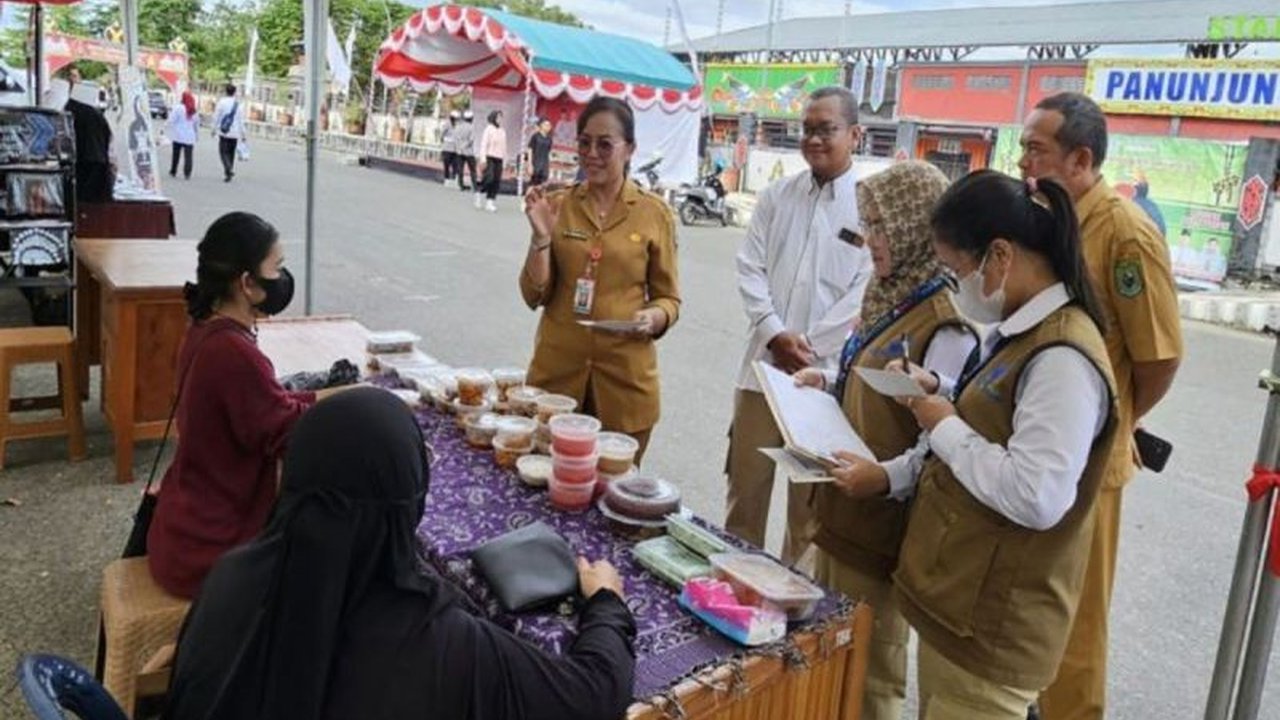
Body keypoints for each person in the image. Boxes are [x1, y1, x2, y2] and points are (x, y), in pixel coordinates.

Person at [164, 388, 636, 720]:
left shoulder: (231, 576)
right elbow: (593, 694)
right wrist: (606, 604)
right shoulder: (440, 643)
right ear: (408, 504)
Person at [842, 170, 1120, 718]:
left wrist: (942, 422)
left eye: (957, 269)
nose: (956, 282)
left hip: (997, 624)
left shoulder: (1062, 357)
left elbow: (1036, 494)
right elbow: (999, 420)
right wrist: (940, 392)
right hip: (962, 606)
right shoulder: (1022, 331)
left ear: (999, 255)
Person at [1019, 92, 1182, 720]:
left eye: (1037, 149)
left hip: (1090, 461)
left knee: (1078, 621)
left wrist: (1117, 427)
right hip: (1038, 448)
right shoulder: (1049, 216)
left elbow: (1159, 356)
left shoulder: (1125, 234)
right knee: (1034, 602)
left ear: (1081, 158)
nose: (1024, 160)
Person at [793, 161, 976, 720]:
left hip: (882, 529)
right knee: (828, 659)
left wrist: (884, 477)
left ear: (917, 229)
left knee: (872, 676)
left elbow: (941, 440)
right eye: (867, 224)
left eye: (882, 226)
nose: (871, 240)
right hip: (843, 511)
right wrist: (824, 379)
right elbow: (874, 378)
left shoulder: (942, 320)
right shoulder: (888, 295)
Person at [725, 86, 871, 565]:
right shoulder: (776, 196)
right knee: (745, 493)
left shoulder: (870, 208)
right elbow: (750, 268)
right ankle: (736, 593)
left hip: (822, 379)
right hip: (761, 373)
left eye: (825, 129)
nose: (813, 140)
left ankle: (794, 615)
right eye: (806, 129)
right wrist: (774, 334)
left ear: (855, 135)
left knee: (809, 514)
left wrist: (806, 347)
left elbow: (862, 292)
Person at [147, 212, 317, 599]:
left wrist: (325, 398)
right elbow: (287, 434)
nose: (282, 280)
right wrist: (348, 413)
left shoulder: (205, 329)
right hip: (210, 552)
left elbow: (266, 406)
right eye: (278, 268)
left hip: (184, 532)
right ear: (247, 283)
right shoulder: (232, 352)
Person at [519, 97, 680, 462]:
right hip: (556, 383)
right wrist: (541, 237)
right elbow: (533, 294)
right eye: (584, 142)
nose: (592, 153)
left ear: (630, 150)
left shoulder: (655, 214)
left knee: (613, 499)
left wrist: (654, 317)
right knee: (550, 490)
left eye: (605, 144)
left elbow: (669, 299)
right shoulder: (558, 205)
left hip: (625, 385)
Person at [63, 70, 114, 202]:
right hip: (96, 167)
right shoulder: (94, 114)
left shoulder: (72, 110)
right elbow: (107, 137)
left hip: (86, 168)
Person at [213, 84, 246, 182]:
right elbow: (241, 121)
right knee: (231, 153)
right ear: (234, 92)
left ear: (226, 91)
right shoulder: (238, 105)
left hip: (224, 132)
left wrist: (213, 129)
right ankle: (229, 171)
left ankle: (228, 168)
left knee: (223, 152)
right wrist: (243, 134)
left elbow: (216, 117)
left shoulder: (221, 103)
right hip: (234, 133)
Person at [477, 110, 507, 212]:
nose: (500, 120)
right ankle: (479, 191)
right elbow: (483, 144)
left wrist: (505, 161)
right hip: (489, 157)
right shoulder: (489, 129)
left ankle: (490, 201)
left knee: (496, 180)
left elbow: (504, 147)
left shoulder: (502, 131)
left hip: (499, 158)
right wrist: (483, 159)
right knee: (489, 178)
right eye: (498, 117)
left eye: (501, 118)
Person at [167, 91, 199, 180]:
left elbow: (171, 120)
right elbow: (196, 124)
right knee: (188, 156)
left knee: (176, 154)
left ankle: (173, 170)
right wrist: (197, 136)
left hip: (178, 135)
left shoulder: (178, 108)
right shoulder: (193, 110)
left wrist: (167, 127)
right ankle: (187, 173)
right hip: (189, 137)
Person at [456, 109, 478, 192]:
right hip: (469, 152)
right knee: (472, 169)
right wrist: (465, 146)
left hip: (459, 151)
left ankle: (461, 185)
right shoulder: (471, 127)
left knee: (460, 169)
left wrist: (460, 147)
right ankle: (475, 186)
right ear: (471, 118)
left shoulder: (458, 126)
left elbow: (456, 138)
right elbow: (471, 140)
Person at [528, 117, 554, 186]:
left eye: (549, 125)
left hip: (545, 165)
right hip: (536, 164)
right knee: (533, 184)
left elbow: (549, 152)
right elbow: (530, 150)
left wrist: (549, 166)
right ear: (541, 126)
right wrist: (530, 164)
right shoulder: (535, 136)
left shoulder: (549, 139)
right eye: (546, 125)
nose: (548, 127)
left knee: (543, 185)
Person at [441, 110, 460, 183]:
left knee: (455, 164)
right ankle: (446, 177)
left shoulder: (458, 125)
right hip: (447, 148)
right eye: (454, 118)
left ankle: (454, 177)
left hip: (455, 148)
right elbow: (442, 134)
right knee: (446, 164)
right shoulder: (447, 124)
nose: (455, 119)